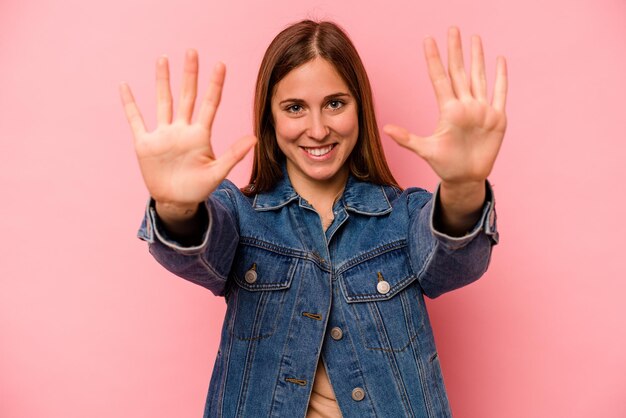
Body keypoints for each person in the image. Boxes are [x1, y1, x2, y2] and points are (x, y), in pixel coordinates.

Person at [120, 19, 507, 418]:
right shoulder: (241, 216)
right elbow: (192, 251)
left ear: (360, 108)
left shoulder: (404, 217)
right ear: (270, 118)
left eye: (335, 104)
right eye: (294, 108)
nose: (318, 129)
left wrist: (463, 187)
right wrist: (176, 207)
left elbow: (456, 264)